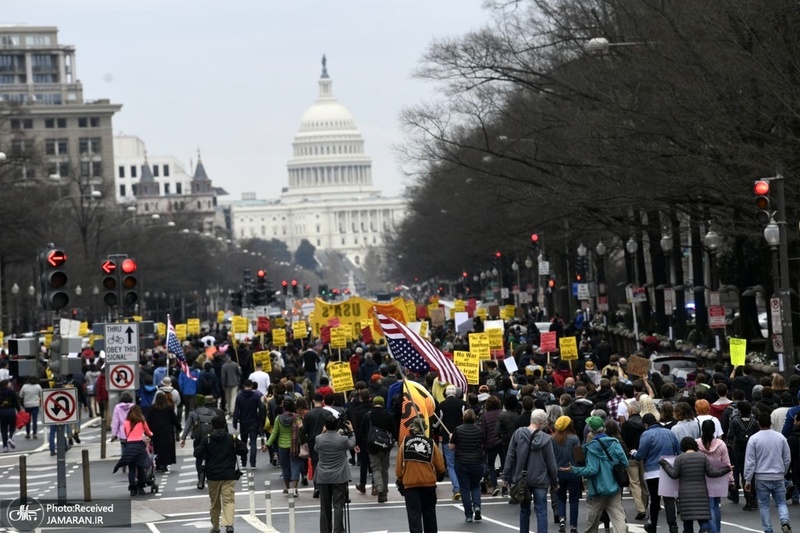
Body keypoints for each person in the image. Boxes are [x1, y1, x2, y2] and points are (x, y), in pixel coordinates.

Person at [562, 416, 629, 533]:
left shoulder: (591, 447)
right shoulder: (615, 442)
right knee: (618, 517)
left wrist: (573, 470)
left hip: (598, 488)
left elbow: (591, 470)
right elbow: (625, 462)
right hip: (615, 486)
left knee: (593, 520)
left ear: (591, 431)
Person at [659, 437, 731, 533]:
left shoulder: (679, 459)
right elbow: (712, 473)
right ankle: (705, 529)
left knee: (688, 521)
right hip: (701, 493)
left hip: (685, 495)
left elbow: (674, 475)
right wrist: (727, 469)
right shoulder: (702, 457)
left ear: (682, 447)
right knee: (703, 518)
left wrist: (664, 464)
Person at [503, 409, 559, 533]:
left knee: (524, 509)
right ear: (542, 422)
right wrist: (554, 480)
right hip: (540, 479)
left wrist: (506, 476)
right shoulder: (546, 439)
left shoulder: (518, 434)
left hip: (522, 479)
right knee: (541, 511)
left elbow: (510, 456)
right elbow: (551, 463)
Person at [194, 415, 247, 533]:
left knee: (215, 502)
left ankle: (215, 526)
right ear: (224, 425)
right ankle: (229, 524)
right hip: (228, 474)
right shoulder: (231, 438)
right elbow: (244, 450)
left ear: (212, 426)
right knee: (228, 500)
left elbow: (197, 453)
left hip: (212, 475)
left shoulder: (207, 439)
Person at [743, 411, 792, 533]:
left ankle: (768, 530)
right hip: (778, 475)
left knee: (764, 505)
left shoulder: (754, 439)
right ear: (770, 423)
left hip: (761, 476)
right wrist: (783, 472)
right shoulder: (780, 437)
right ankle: (785, 521)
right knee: (781, 502)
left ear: (758, 424)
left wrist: (748, 479)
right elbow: (787, 458)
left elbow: (750, 461)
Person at [632, 413, 680, 533]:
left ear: (646, 424)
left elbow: (641, 455)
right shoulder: (669, 433)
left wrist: (634, 454)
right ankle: (673, 526)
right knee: (669, 499)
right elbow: (678, 450)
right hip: (668, 470)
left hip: (652, 471)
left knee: (654, 499)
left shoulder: (646, 434)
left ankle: (652, 524)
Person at [397, 416, 446, 533]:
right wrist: (439, 475)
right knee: (429, 513)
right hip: (428, 484)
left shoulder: (405, 443)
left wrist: (400, 479)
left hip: (410, 484)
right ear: (424, 428)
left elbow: (399, 468)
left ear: (413, 429)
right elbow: (440, 466)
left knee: (414, 516)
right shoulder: (431, 443)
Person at [315, 415, 356, 533]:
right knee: (338, 506)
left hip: (323, 476)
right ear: (337, 426)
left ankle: (325, 530)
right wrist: (351, 431)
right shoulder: (342, 440)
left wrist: (322, 433)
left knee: (325, 508)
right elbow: (352, 443)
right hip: (339, 476)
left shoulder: (319, 439)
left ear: (325, 426)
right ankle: (338, 530)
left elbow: (316, 449)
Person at [696, 419, 733, 533]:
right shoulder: (721, 444)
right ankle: (717, 530)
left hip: (702, 477)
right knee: (716, 504)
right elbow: (727, 462)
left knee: (709, 505)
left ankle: (712, 530)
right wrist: (731, 480)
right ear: (714, 430)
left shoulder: (696, 443)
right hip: (719, 477)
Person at [181, 395, 224, 489]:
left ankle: (200, 478)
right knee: (210, 458)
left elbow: (187, 426)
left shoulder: (193, 413)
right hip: (210, 438)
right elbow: (217, 425)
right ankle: (209, 477)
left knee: (199, 458)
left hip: (198, 439)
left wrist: (183, 438)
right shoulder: (212, 412)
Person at [264, 398, 306, 496]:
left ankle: (287, 488)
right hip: (295, 445)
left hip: (282, 445)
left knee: (285, 467)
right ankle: (295, 489)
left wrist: (267, 445)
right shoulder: (297, 417)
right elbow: (302, 431)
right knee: (295, 465)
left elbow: (274, 433)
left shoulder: (278, 418)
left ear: (284, 407)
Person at [450, 408, 485, 522]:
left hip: (462, 462)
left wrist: (452, 438)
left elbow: (451, 447)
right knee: (475, 486)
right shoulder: (479, 430)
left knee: (464, 488)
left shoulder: (458, 430)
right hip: (477, 461)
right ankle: (477, 506)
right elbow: (483, 445)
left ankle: (468, 514)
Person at [360, 394, 396, 502]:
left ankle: (378, 487)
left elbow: (362, 432)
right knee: (384, 469)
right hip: (385, 447)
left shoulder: (368, 416)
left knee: (375, 468)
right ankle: (384, 493)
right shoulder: (388, 416)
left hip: (372, 446)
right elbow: (394, 432)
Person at [113, 405, 153, 496]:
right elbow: (148, 432)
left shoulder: (126, 422)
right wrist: (151, 434)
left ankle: (132, 489)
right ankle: (141, 487)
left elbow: (127, 434)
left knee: (131, 468)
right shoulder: (141, 421)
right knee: (140, 467)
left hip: (130, 446)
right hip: (139, 445)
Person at [435, 384, 466, 500]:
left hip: (447, 438)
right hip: (462, 437)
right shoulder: (462, 404)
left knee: (451, 465)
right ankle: (463, 487)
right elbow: (466, 418)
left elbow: (437, 423)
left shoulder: (442, 405)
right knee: (462, 463)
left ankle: (456, 489)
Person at [551, 415, 581, 533]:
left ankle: (562, 519)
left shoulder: (552, 439)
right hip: (573, 471)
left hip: (558, 472)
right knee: (573, 500)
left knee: (560, 498)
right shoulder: (574, 438)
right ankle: (573, 526)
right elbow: (579, 457)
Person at [146, 392, 181, 472]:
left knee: (157, 448)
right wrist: (179, 428)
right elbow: (174, 419)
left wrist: (147, 432)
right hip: (167, 432)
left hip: (155, 432)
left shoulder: (152, 409)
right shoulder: (169, 408)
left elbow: (148, 420)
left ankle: (158, 463)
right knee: (166, 449)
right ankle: (164, 464)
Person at [232, 379, 262, 469]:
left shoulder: (239, 397)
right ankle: (253, 463)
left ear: (244, 386)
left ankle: (244, 462)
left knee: (243, 442)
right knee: (253, 443)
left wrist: (235, 423)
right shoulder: (256, 396)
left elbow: (236, 411)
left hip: (243, 422)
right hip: (254, 421)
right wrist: (260, 421)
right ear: (252, 386)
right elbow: (260, 409)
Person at [0, 380, 20, 452]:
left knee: (3, 429)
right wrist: (19, 410)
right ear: (6, 385)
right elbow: (16, 402)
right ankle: (10, 438)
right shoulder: (11, 392)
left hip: (2, 412)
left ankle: (5, 446)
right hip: (11, 410)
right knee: (12, 427)